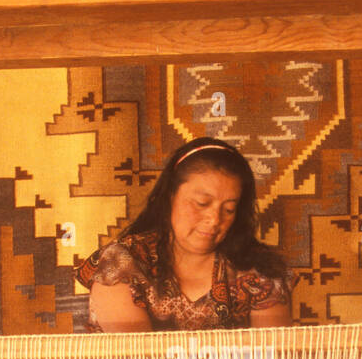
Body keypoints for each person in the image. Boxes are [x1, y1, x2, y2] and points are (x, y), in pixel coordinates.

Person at [75, 137, 295, 332]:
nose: (214, 219)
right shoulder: (121, 264)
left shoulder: (261, 274)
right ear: (170, 196)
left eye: (228, 209)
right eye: (201, 203)